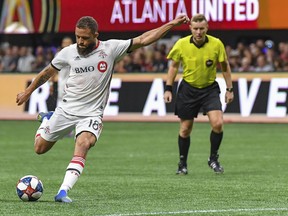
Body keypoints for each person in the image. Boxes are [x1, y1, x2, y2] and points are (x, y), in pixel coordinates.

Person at [16, 15, 190, 203]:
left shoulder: (110, 49)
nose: (80, 42)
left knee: (83, 143)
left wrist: (172, 24)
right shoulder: (68, 52)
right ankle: (47, 120)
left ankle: (63, 191)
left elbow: (143, 39)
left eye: (85, 38)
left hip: (92, 113)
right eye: (78, 37)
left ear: (96, 35)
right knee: (39, 148)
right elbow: (47, 73)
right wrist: (27, 92)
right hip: (66, 110)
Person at [163, 14, 234, 175]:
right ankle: (182, 163)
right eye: (195, 29)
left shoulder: (216, 44)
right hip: (188, 89)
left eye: (202, 28)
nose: (199, 32)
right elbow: (173, 67)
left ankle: (213, 159)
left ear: (207, 28)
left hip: (210, 89)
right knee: (185, 129)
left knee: (217, 124)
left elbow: (225, 66)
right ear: (190, 29)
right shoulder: (181, 44)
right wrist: (168, 88)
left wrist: (230, 89)